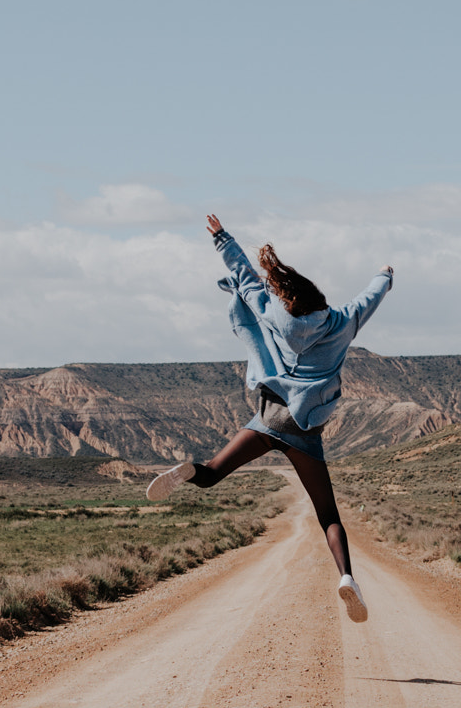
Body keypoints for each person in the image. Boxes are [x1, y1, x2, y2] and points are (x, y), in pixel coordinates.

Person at [146, 215, 393, 622]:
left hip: (268, 418)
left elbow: (244, 277)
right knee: (328, 515)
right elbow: (371, 296)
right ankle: (347, 577)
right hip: (304, 430)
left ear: (287, 298)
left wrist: (222, 238)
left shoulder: (277, 316)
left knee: (210, 474)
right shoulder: (343, 321)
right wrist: (385, 274)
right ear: (319, 297)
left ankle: (188, 468)